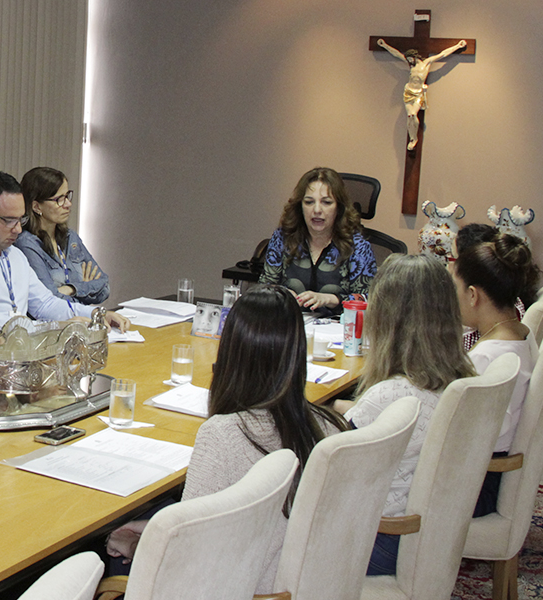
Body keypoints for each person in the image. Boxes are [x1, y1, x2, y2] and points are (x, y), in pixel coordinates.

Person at [105, 285, 349, 592]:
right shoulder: (329, 426)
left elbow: (189, 553)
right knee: (153, 515)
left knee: (111, 555)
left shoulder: (224, 435)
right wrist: (155, 528)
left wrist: (133, 545)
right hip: (302, 579)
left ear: (231, 351)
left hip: (244, 584)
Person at [333, 254, 475, 575]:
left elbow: (333, 476)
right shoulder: (457, 378)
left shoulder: (389, 395)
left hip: (379, 540)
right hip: (422, 537)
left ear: (387, 319)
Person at [0, 171, 130, 332]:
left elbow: (45, 304)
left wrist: (96, 314)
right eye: (9, 220)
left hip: (23, 352)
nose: (18, 229)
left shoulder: (15, 255)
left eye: (20, 219)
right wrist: (51, 327)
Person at [452, 233, 540, 516]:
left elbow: (457, 431)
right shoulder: (521, 333)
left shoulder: (488, 356)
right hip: (490, 475)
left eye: (455, 288)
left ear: (473, 295)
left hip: (475, 484)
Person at [259, 167, 377, 313]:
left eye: (326, 202)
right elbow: (263, 289)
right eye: (309, 202)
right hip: (289, 323)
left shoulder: (357, 246)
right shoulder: (283, 238)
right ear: (300, 206)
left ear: (339, 207)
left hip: (338, 325)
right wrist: (280, 293)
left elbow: (369, 300)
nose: (316, 210)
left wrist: (331, 300)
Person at [14, 167, 109, 305]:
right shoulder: (27, 244)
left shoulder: (71, 237)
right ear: (36, 207)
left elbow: (104, 287)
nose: (68, 204)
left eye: (67, 196)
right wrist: (87, 289)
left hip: (81, 317)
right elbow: (48, 301)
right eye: (59, 199)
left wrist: (71, 289)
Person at [376, 39, 467, 150]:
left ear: (415, 57)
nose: (409, 61)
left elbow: (442, 54)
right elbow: (397, 54)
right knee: (410, 116)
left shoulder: (426, 63)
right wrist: (385, 45)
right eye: (408, 60)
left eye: (411, 59)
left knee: (413, 114)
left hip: (419, 93)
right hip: (408, 92)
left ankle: (414, 139)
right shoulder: (411, 66)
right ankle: (413, 138)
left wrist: (457, 46)